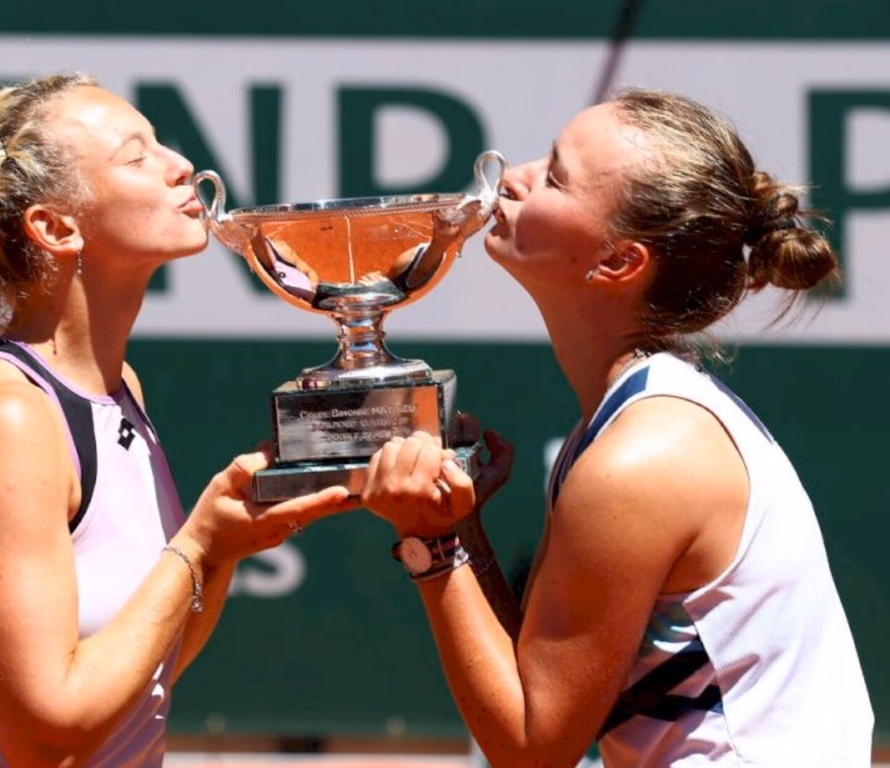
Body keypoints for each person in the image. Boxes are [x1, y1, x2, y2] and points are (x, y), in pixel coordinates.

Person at [359, 88, 874, 767]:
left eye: (555, 177)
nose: (514, 175)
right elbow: (534, 687)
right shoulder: (634, 424)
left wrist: (429, 540)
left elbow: (533, 749)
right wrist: (461, 534)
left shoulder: (640, 458)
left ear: (617, 263)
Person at [0, 73, 355, 766]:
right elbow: (46, 736)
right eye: (137, 156)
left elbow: (143, 673)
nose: (180, 164)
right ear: (55, 227)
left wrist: (217, 553)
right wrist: (192, 547)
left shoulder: (121, 386)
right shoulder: (3, 416)